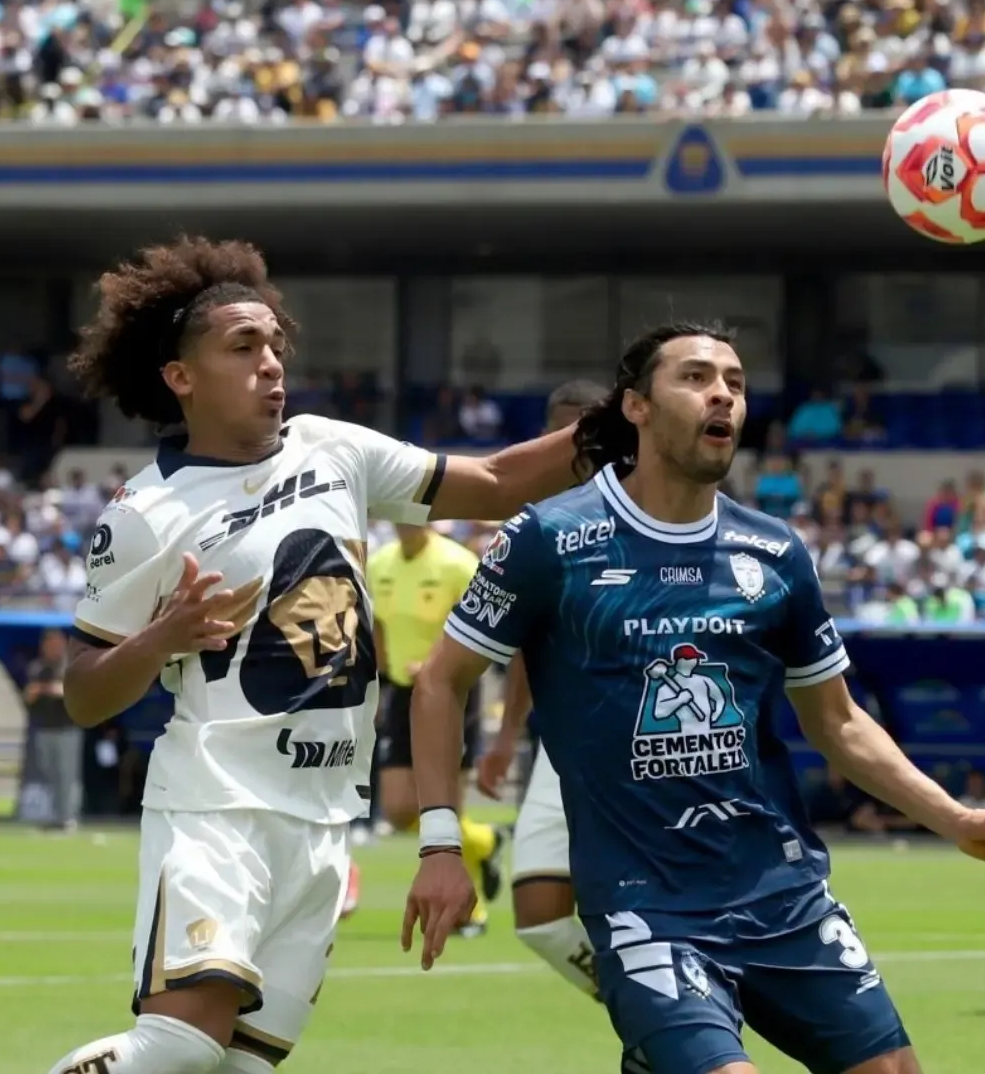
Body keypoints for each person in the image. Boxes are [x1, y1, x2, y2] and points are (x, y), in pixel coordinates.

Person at [404, 323, 985, 1074]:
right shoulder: (550, 539)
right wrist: (441, 845)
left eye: (735, 384)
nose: (723, 397)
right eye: (698, 377)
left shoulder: (773, 551)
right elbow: (441, 681)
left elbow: (836, 721)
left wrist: (956, 817)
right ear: (636, 407)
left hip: (782, 892)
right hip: (647, 903)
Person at [44, 236, 583, 1074]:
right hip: (218, 809)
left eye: (274, 346)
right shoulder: (146, 514)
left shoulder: (333, 447)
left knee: (240, 1067)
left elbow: (501, 482)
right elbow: (81, 693)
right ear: (180, 378)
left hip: (328, 818)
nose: (270, 364)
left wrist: (630, 417)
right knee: (180, 1046)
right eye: (242, 347)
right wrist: (163, 637)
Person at [472, 378, 609, 1000]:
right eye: (563, 434)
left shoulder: (651, 509)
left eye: (587, 432)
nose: (575, 448)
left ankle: (681, 1035)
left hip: (637, 740)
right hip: (561, 742)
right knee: (543, 921)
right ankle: (659, 1020)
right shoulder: (535, 527)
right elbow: (527, 643)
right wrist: (505, 737)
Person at [366, 519, 503, 936]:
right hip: (402, 690)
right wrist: (379, 673)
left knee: (447, 805)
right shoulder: (379, 562)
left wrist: (439, 665)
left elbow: (485, 630)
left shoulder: (458, 563)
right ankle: (485, 843)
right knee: (399, 807)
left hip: (451, 690)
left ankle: (470, 911)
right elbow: (376, 624)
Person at [26, 628, 82, 833]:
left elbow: (67, 692)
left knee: (66, 775)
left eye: (57, 643)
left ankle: (68, 818)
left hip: (67, 729)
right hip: (44, 728)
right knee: (49, 773)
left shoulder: (69, 666)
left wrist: (47, 689)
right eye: (50, 643)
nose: (54, 648)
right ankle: (55, 816)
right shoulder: (38, 667)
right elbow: (30, 694)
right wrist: (46, 689)